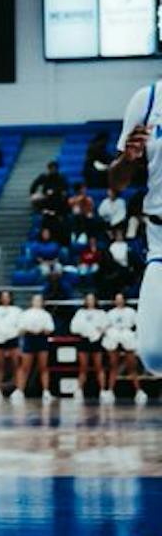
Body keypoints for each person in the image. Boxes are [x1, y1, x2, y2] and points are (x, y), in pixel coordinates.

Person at [109, 81, 161, 376]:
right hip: (159, 239)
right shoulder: (148, 99)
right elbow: (116, 183)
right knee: (154, 356)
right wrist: (128, 158)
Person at [102, 293, 146, 405]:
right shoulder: (110, 313)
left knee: (132, 366)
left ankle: (138, 391)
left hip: (127, 338)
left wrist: (133, 335)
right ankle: (110, 391)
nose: (119, 301)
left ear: (124, 300)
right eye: (117, 299)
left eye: (121, 299)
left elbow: (138, 325)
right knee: (113, 366)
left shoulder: (131, 312)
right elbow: (106, 326)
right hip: (114, 338)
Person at [13, 294, 55, 404]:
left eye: (39, 300)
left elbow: (50, 329)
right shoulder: (25, 314)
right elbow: (20, 329)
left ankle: (46, 391)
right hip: (29, 339)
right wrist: (29, 329)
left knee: (43, 367)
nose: (37, 302)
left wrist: (42, 329)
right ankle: (19, 390)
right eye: (35, 300)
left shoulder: (46, 315)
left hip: (41, 339)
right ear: (32, 301)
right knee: (25, 367)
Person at [70, 292, 108, 402]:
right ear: (85, 301)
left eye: (92, 299)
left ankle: (103, 390)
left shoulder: (101, 313)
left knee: (99, 366)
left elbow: (105, 326)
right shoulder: (80, 313)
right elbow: (74, 327)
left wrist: (100, 331)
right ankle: (79, 390)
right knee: (83, 367)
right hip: (84, 341)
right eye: (88, 299)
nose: (90, 301)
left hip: (96, 341)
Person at [0, 289, 22, 400]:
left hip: (13, 339)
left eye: (7, 296)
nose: (5, 298)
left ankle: (19, 389)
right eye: (3, 296)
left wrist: (13, 334)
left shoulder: (17, 311)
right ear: (0, 298)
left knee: (16, 365)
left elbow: (21, 326)